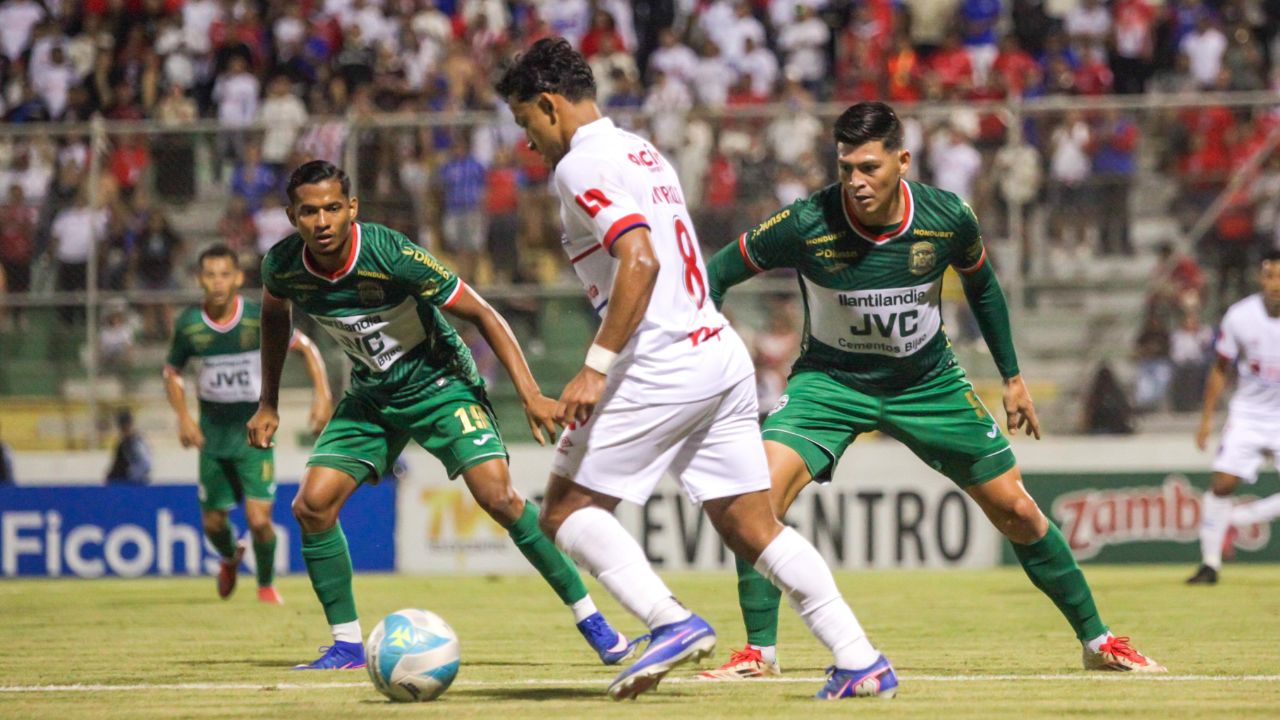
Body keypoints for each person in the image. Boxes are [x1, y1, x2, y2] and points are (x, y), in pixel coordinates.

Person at [700, 101, 1165, 679]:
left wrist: (1012, 378)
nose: (855, 181)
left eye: (869, 167)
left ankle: (1099, 642)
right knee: (756, 501)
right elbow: (715, 276)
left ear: (903, 161)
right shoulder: (806, 221)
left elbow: (984, 288)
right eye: (845, 168)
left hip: (927, 383)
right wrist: (706, 356)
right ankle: (759, 654)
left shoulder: (947, 217)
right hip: (830, 383)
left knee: (1019, 511)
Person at [498, 38, 895, 702]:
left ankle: (669, 621)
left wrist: (596, 367)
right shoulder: (642, 151)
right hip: (717, 351)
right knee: (753, 526)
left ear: (548, 104)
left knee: (564, 511)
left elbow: (641, 259)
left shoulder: (580, 166)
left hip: (659, 358)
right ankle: (861, 659)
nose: (528, 142)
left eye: (525, 122)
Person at [247, 161, 635, 670]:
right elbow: (274, 319)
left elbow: (483, 314)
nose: (322, 222)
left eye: (333, 208)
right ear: (291, 216)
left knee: (498, 497)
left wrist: (530, 393)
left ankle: (592, 620)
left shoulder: (390, 254)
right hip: (372, 395)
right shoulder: (281, 266)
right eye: (309, 212)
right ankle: (346, 646)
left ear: (352, 208)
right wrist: (268, 402)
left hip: (439, 383)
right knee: (312, 505)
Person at [164, 244, 333, 605]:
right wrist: (183, 417)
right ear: (200, 279)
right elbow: (172, 371)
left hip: (255, 433)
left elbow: (306, 347)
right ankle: (230, 555)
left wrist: (322, 394)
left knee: (259, 520)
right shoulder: (190, 325)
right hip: (212, 437)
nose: (218, 282)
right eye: (210, 275)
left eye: (225, 274)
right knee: (213, 524)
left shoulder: (259, 318)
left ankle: (266, 585)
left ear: (239, 278)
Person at [1188, 249, 1280, 585]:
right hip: (1249, 414)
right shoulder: (1241, 316)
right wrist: (1206, 420)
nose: (1276, 284)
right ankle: (1210, 564)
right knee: (1222, 484)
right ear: (1260, 277)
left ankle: (1239, 518)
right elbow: (1220, 368)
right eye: (1270, 276)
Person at [105, 409, 151, 485]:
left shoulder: (135, 443)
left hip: (131, 483)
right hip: (122, 482)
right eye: (122, 427)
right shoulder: (124, 444)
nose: (124, 430)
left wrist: (132, 476)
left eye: (126, 426)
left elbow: (145, 465)